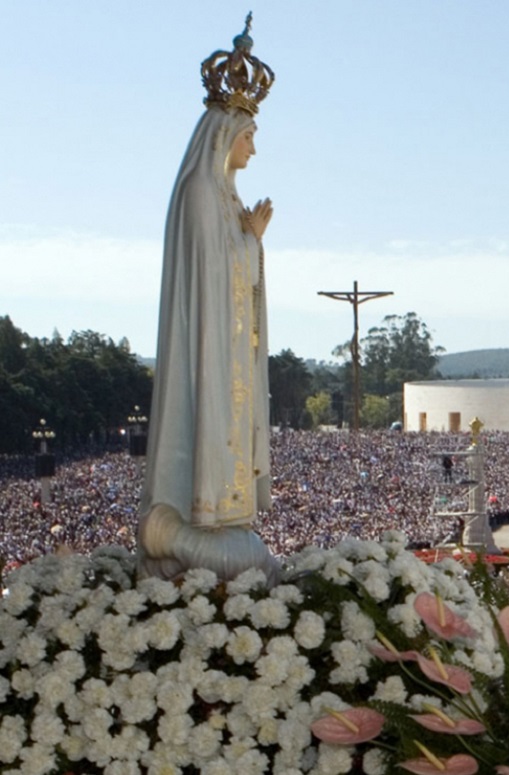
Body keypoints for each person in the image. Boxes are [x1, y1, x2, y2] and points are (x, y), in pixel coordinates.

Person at [137, 15, 280, 582]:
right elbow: (211, 274)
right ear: (224, 135)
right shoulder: (201, 191)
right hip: (208, 344)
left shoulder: (225, 196)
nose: (252, 149)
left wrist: (248, 241)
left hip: (229, 348)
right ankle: (191, 520)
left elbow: (233, 274)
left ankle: (219, 520)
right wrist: (251, 240)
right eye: (248, 137)